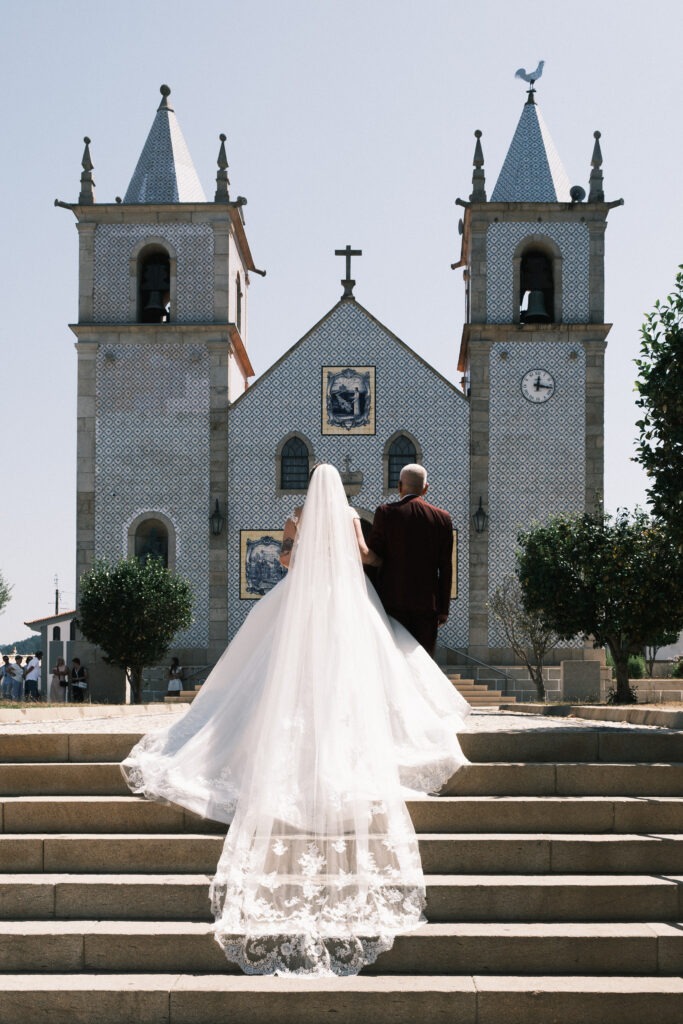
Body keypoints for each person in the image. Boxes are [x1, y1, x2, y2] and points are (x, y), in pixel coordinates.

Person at [121, 464, 470, 977]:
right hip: (346, 603)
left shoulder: (294, 517)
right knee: (352, 673)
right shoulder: (351, 518)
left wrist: (300, 552)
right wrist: (370, 560)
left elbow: (285, 560)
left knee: (282, 669)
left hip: (298, 601)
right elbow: (367, 557)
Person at [368, 463, 453, 657]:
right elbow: (445, 568)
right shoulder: (442, 518)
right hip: (427, 608)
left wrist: (371, 600)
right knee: (423, 662)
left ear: (399, 486)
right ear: (426, 488)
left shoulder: (385, 513)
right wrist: (443, 610)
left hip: (391, 604)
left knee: (395, 662)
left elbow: (373, 558)